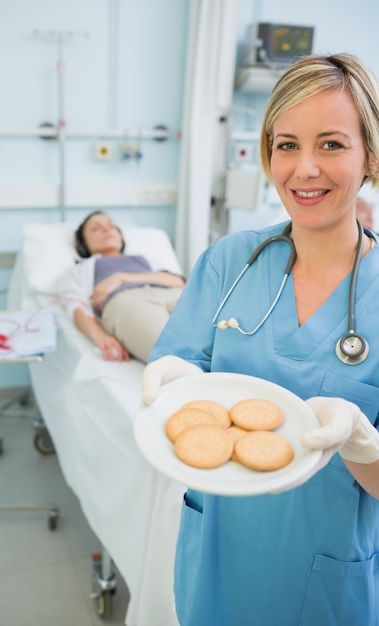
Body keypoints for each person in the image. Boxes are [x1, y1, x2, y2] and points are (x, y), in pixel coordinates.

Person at [142, 53, 379, 626]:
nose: (304, 169)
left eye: (331, 144)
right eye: (287, 144)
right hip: (215, 567)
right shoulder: (230, 261)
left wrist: (364, 446)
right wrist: (172, 375)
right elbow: (179, 364)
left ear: (371, 155)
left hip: (324, 582)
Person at [59, 210, 185, 362]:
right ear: (83, 243)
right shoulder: (81, 269)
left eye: (111, 226)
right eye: (96, 228)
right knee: (173, 354)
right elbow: (77, 307)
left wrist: (120, 278)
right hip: (128, 302)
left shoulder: (145, 259)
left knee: (217, 337)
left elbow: (178, 282)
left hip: (174, 294)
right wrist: (100, 337)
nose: (106, 230)